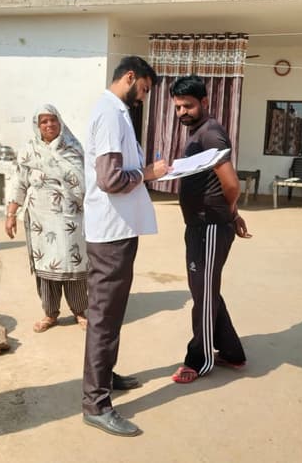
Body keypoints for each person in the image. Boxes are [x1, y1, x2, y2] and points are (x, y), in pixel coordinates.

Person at [81, 56, 169, 437]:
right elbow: (111, 179)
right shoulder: (112, 114)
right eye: (145, 89)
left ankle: (106, 377)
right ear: (130, 78)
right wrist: (148, 173)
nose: (144, 97)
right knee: (104, 316)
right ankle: (96, 404)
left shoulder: (115, 112)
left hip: (118, 229)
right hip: (110, 233)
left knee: (112, 314)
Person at [167, 75, 251, 385]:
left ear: (204, 102)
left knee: (202, 293)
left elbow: (230, 183)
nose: (182, 113)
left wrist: (228, 214)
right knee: (206, 289)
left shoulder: (211, 134)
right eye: (177, 108)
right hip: (201, 225)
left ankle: (199, 359)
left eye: (187, 106)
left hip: (210, 226)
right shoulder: (197, 133)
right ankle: (231, 352)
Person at [5, 104, 89, 333]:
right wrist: (11, 214)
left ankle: (80, 310)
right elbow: (19, 183)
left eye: (53, 120)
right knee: (45, 266)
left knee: (73, 262)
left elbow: (84, 180)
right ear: (37, 126)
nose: (49, 125)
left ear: (60, 122)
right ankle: (50, 313)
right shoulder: (28, 150)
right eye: (44, 121)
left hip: (69, 215)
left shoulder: (72, 147)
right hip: (40, 219)